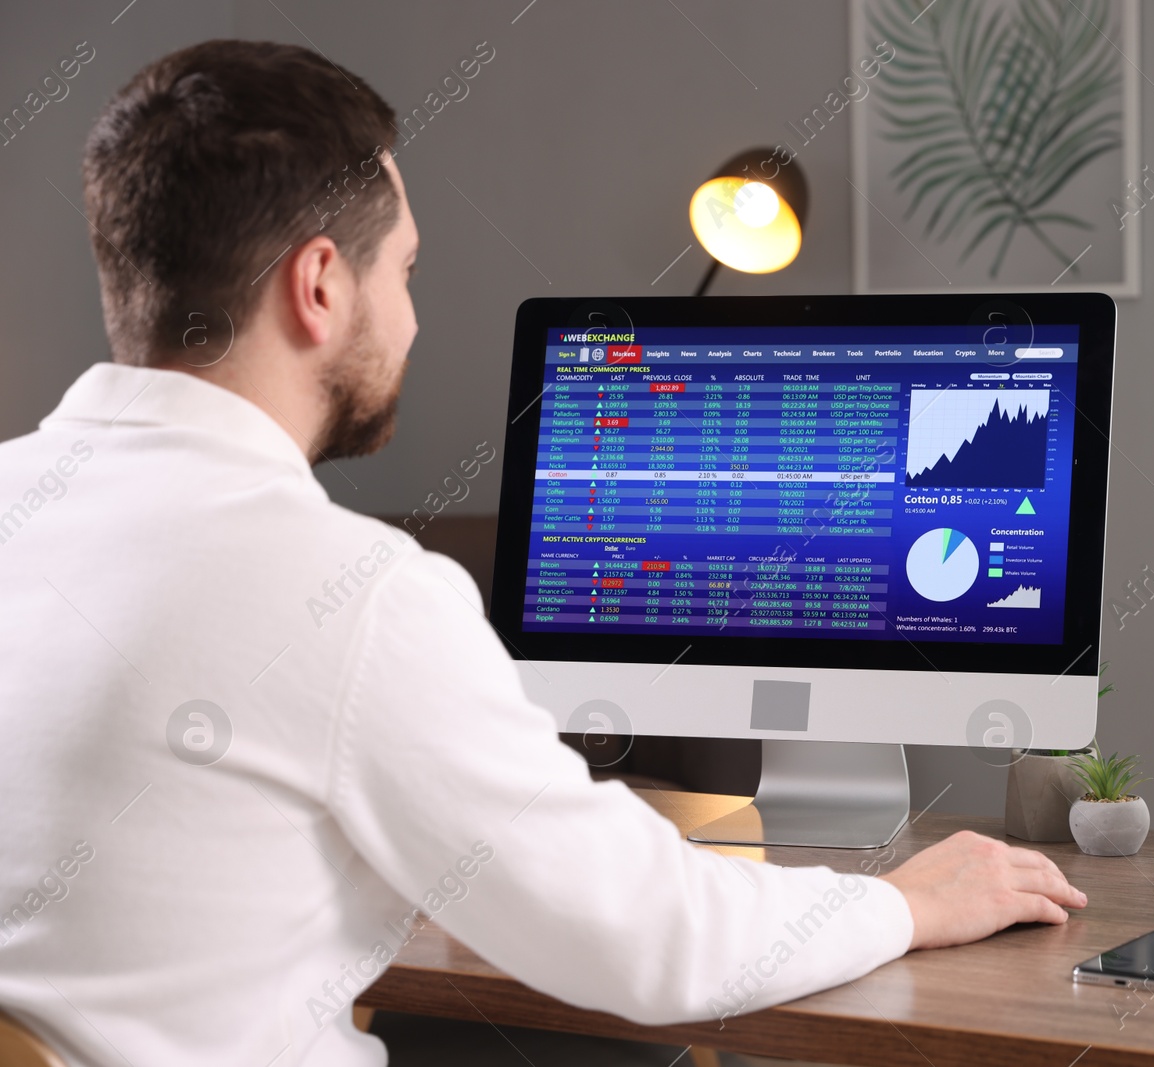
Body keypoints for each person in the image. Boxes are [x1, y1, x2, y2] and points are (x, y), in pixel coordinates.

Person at [0, 40, 1087, 1066]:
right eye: (407, 273)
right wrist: (910, 899)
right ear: (321, 284)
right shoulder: (352, 594)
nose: (415, 323)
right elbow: (655, 939)